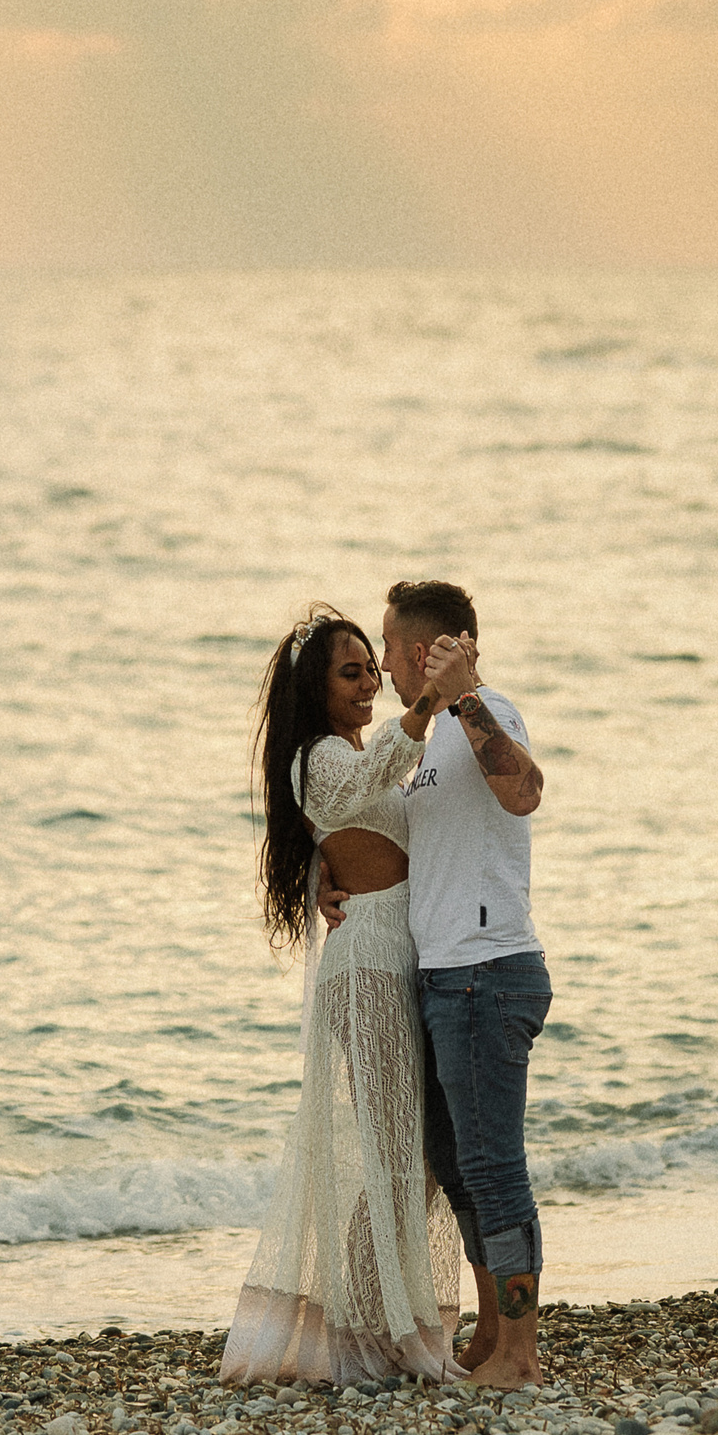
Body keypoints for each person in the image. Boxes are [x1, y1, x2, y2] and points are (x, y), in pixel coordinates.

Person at [220, 604, 467, 1386]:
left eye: (370, 668)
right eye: (350, 672)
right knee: (395, 1157)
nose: (366, 684)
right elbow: (362, 782)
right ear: (314, 688)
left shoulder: (352, 752)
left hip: (400, 959)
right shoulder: (316, 758)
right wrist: (428, 698)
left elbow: (384, 815)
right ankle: (366, 1332)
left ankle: (377, 1316)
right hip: (365, 970)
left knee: (419, 1156)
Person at [366, 579, 552, 1391]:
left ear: (420, 652)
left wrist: (467, 697)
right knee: (454, 1160)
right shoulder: (414, 739)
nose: (380, 665)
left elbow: (523, 792)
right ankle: (486, 1334)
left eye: (387, 647)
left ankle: (521, 1354)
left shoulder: (489, 712)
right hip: (440, 973)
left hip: (488, 969)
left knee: (492, 1163)